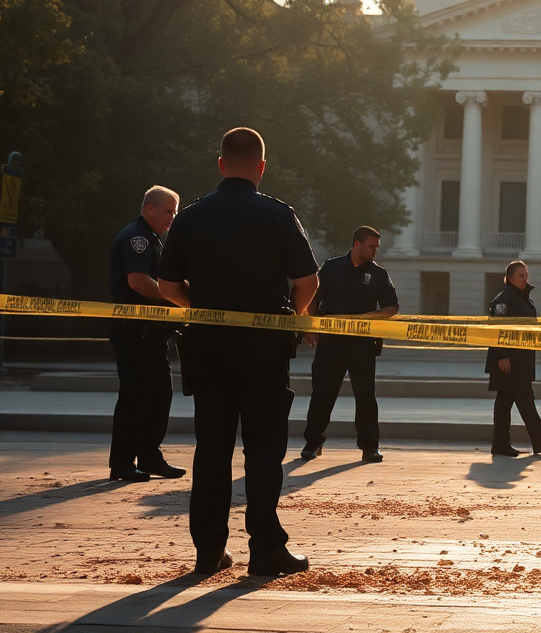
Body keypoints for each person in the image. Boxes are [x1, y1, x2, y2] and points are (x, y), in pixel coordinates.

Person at [157, 127, 320, 577]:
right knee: (264, 451)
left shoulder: (190, 217)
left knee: (211, 449)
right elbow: (308, 281)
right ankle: (266, 550)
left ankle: (208, 552)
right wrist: (295, 314)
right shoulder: (278, 215)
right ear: (262, 167)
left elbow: (168, 286)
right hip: (264, 351)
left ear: (221, 164)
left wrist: (204, 309)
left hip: (208, 350)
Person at [299, 226, 398, 463]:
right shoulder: (331, 268)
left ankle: (369, 447)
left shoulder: (378, 274)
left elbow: (391, 307)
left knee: (365, 396)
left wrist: (369, 318)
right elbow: (313, 298)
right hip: (330, 343)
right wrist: (309, 326)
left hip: (362, 344)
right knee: (322, 394)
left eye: (377, 247)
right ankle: (312, 443)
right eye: (371, 246)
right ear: (357, 245)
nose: (375, 251)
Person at [106, 186, 183, 482]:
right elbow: (138, 282)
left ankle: (150, 456)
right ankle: (123, 463)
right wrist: (176, 297)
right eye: (167, 211)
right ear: (149, 208)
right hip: (135, 331)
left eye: (174, 212)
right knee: (135, 396)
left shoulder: (152, 239)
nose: (172, 218)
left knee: (160, 394)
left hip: (151, 334)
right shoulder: (137, 238)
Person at [484, 261, 541, 457]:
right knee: (524, 399)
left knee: (506, 402)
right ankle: (538, 439)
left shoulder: (522, 298)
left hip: (521, 359)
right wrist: (502, 355)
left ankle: (502, 444)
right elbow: (497, 328)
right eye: (521, 275)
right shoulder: (503, 300)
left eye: (526, 274)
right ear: (510, 277)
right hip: (508, 360)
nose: (525, 279)